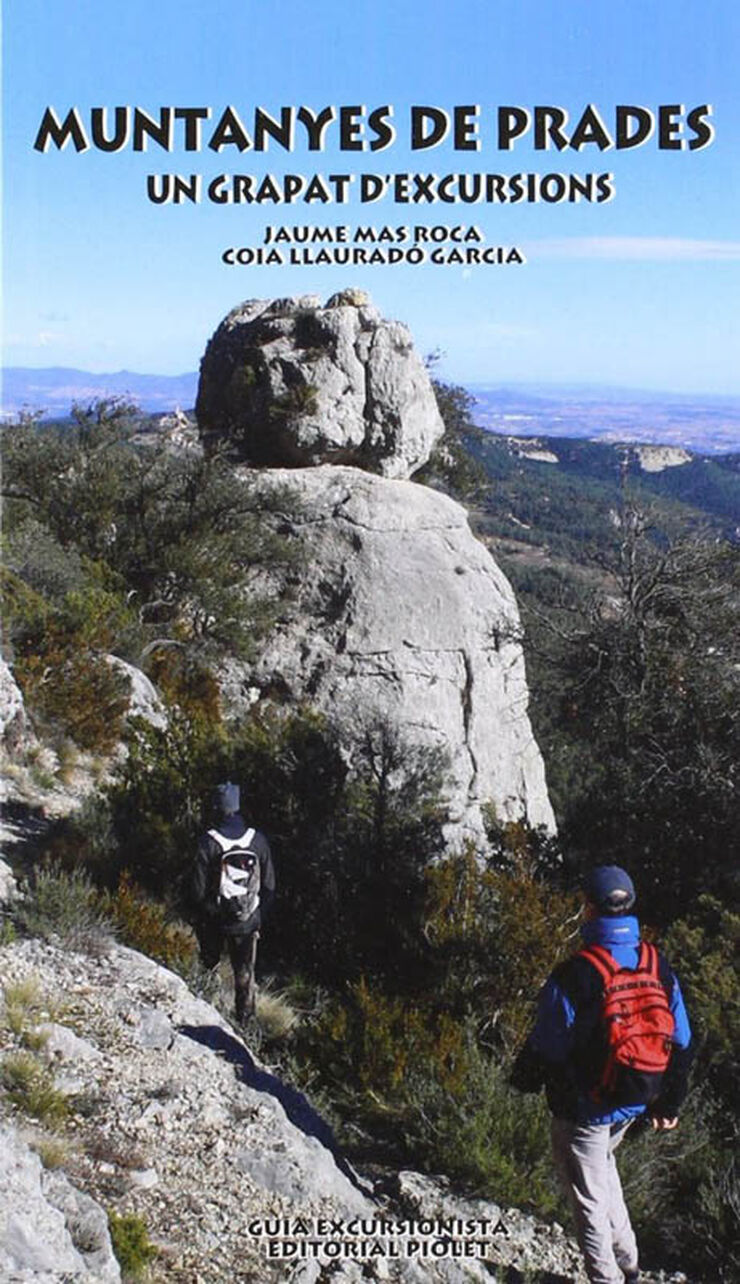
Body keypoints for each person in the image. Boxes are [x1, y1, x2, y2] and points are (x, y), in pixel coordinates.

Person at [510, 865, 692, 1284]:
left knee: (587, 1196)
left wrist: (523, 1081)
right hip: (636, 1098)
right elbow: (683, 1039)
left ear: (589, 908)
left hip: (588, 1108)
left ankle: (608, 1278)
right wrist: (670, 1101)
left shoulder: (576, 974)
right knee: (603, 1170)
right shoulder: (656, 963)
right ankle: (629, 1261)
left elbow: (548, 1047)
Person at [190, 781, 275, 1023]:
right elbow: (269, 887)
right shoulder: (257, 840)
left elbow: (197, 890)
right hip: (248, 922)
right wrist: (255, 916)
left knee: (209, 973)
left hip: (214, 921)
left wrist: (208, 914)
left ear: (216, 807)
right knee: (245, 978)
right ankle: (245, 1028)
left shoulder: (208, 841)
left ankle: (206, 1022)